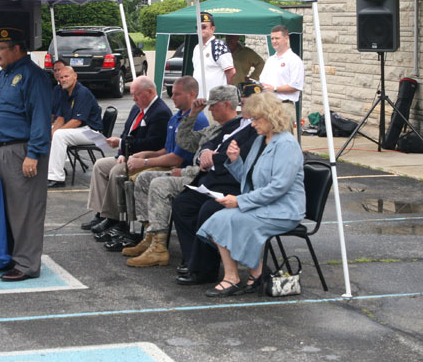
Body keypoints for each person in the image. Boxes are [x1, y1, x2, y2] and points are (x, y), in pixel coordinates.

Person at [195, 91, 305, 297]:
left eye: (255, 119)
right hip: (264, 205)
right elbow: (248, 178)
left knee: (225, 219)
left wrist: (239, 201)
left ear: (271, 116)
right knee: (218, 219)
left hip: (284, 210)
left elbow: (278, 188)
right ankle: (243, 275)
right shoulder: (260, 141)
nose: (252, 124)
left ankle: (245, 275)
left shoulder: (287, 145)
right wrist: (235, 160)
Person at [0, 26, 52, 282]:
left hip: (20, 151)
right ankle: (8, 256)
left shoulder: (34, 77)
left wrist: (34, 154)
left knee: (25, 211)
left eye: (0, 49)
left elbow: (40, 118)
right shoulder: (0, 76)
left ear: (17, 49)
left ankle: (27, 264)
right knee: (4, 209)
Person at [105, 76, 208, 257]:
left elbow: (176, 159)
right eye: (172, 93)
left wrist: (144, 162)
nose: (172, 97)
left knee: (141, 178)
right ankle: (148, 234)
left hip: (184, 170)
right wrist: (145, 154)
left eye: (177, 94)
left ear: (192, 94)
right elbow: (165, 150)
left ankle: (155, 241)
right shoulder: (176, 117)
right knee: (133, 176)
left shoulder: (196, 120)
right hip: (171, 165)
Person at [170, 85, 259, 285]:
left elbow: (240, 156)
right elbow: (212, 141)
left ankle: (205, 269)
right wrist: (205, 153)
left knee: (207, 209)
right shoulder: (238, 124)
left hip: (232, 184)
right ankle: (194, 261)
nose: (241, 107)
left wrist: (213, 158)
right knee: (182, 204)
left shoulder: (256, 129)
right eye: (242, 102)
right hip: (212, 180)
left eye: (245, 103)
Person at [85, 76, 172, 235]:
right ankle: (100, 212)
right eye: (132, 94)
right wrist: (121, 152)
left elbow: (153, 143)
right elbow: (126, 134)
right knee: (99, 166)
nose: (133, 98)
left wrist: (123, 146)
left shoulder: (161, 112)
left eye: (137, 94)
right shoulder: (136, 108)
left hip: (148, 158)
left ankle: (115, 218)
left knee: (116, 172)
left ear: (150, 92)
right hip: (128, 155)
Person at [47, 67, 103, 188]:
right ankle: (53, 169)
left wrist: (57, 133)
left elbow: (77, 121)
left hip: (92, 132)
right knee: (50, 132)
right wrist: (52, 131)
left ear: (75, 76)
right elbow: (61, 117)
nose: (63, 80)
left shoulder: (82, 92)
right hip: (79, 131)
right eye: (61, 77)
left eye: (66, 76)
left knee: (59, 135)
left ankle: (56, 177)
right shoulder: (65, 92)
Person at [259, 24, 304, 129]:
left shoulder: (294, 60)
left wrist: (274, 89)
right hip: (268, 106)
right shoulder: (270, 60)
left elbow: (296, 86)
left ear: (286, 38)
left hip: (284, 107)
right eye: (272, 38)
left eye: (277, 38)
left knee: (284, 142)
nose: (274, 41)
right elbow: (262, 80)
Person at [191, 12, 235, 98]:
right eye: (198, 27)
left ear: (212, 29)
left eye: (203, 27)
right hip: (199, 99)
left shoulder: (219, 46)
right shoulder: (196, 48)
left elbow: (231, 72)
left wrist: (225, 93)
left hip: (216, 100)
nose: (200, 30)